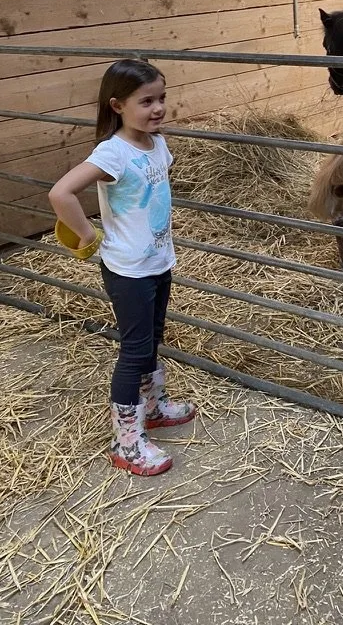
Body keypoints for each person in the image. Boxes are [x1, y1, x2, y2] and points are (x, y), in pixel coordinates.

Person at [49, 58, 195, 475]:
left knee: (152, 338)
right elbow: (62, 194)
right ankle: (126, 442)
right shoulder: (112, 153)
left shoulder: (157, 143)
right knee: (133, 352)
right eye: (146, 101)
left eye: (161, 98)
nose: (158, 108)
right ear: (117, 105)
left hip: (157, 260)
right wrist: (88, 236)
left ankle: (153, 407)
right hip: (128, 270)